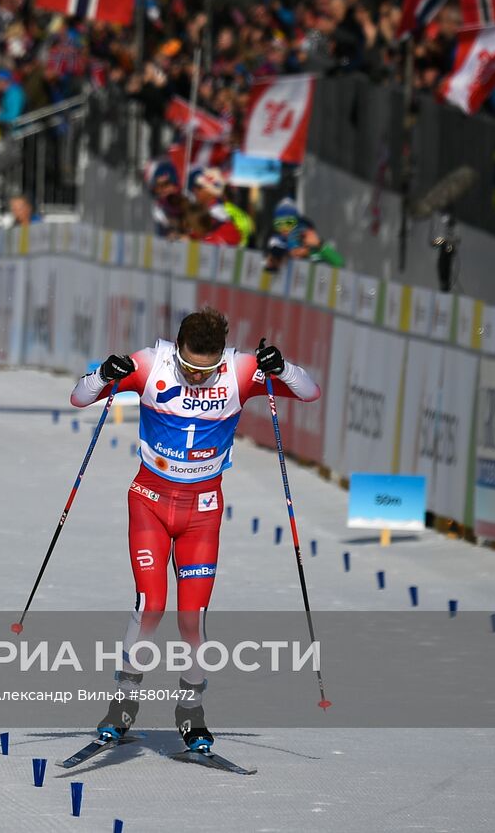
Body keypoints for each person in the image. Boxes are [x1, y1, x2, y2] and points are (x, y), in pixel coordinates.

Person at [70, 307, 320, 753]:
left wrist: (283, 367)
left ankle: (191, 711)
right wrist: (103, 374)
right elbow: (80, 396)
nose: (198, 378)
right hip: (149, 502)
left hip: (202, 513)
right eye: (189, 368)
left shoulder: (241, 370)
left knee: (192, 619)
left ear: (220, 358)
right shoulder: (151, 363)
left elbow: (309, 392)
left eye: (206, 371)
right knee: (151, 606)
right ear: (177, 351)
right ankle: (122, 706)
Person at [265, 199, 345, 272]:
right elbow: (274, 254)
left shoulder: (311, 247)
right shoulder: (278, 241)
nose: (284, 229)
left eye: (289, 223)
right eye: (279, 224)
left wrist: (319, 245)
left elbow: (339, 264)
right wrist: (285, 255)